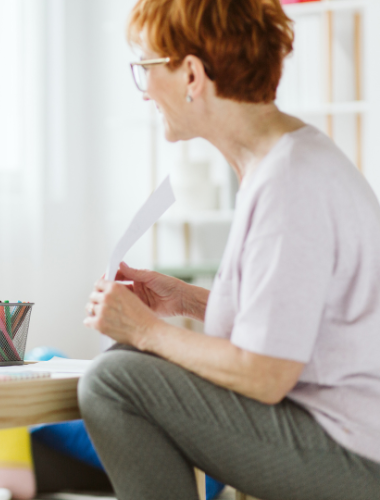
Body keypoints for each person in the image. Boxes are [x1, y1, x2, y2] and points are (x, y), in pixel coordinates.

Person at [79, 0, 380, 499]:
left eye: (147, 69)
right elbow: (294, 324)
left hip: (354, 456)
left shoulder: (289, 183)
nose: (144, 91)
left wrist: (144, 329)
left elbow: (265, 374)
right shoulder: (290, 160)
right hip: (349, 439)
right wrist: (184, 300)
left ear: (192, 75)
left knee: (115, 379)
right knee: (126, 365)